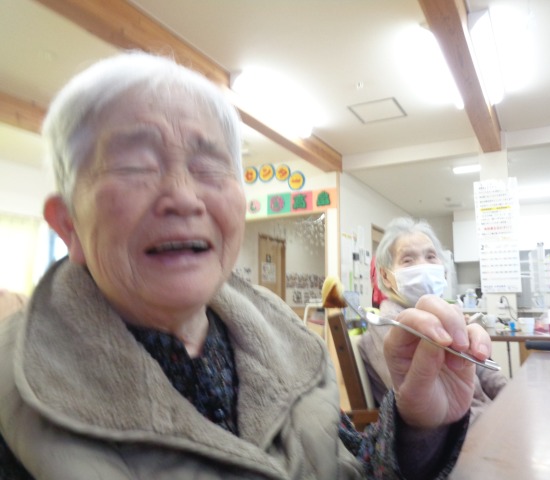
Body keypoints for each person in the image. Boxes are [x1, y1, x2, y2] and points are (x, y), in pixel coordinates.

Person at [0, 51, 493, 479]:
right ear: (68, 225)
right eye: (134, 166)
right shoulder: (16, 399)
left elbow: (353, 466)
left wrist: (417, 425)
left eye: (209, 166)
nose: (183, 197)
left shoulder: (289, 344)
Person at [359, 217, 506, 423]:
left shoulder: (445, 316)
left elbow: (485, 371)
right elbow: (432, 412)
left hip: (491, 417)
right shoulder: (387, 329)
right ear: (385, 276)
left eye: (431, 256)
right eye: (408, 260)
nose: (423, 265)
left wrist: (513, 398)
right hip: (465, 431)